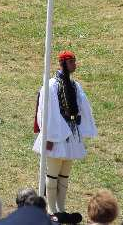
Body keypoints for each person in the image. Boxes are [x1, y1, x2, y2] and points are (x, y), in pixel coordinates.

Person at [33, 50, 97, 216]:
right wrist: (52, 134)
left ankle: (61, 208)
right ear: (63, 64)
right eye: (71, 62)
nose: (75, 65)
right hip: (57, 132)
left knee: (65, 174)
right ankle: (51, 208)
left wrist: (80, 124)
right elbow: (48, 111)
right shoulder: (52, 85)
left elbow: (83, 106)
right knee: (52, 173)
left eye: (74, 61)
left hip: (71, 132)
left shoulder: (75, 85)